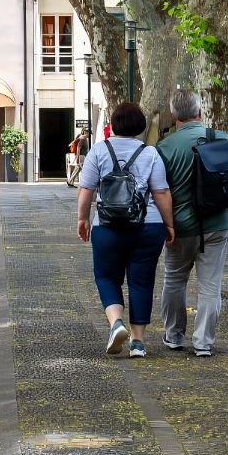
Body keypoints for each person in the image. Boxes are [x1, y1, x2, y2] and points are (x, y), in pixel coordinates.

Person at [77, 100, 174, 358]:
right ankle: (138, 343)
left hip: (107, 226)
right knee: (142, 281)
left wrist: (83, 219)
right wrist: (168, 224)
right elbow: (161, 192)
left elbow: (86, 189)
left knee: (106, 276)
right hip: (148, 225)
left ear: (113, 124)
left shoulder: (98, 150)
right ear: (140, 126)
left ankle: (116, 323)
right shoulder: (150, 153)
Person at [156, 87, 228, 356]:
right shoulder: (219, 138)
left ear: (174, 115)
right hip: (216, 223)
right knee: (210, 284)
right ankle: (203, 343)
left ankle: (174, 336)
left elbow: (160, 189)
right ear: (199, 111)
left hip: (179, 225)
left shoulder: (165, 146)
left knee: (174, 279)